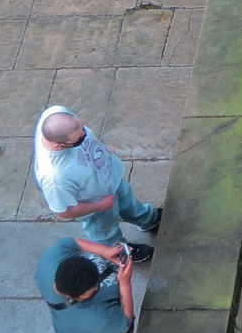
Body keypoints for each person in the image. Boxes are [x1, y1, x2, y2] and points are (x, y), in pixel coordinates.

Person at [32, 105, 161, 261]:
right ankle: (120, 253)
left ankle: (149, 219)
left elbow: (84, 135)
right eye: (78, 138)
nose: (84, 135)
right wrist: (99, 206)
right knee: (106, 234)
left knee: (131, 203)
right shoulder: (55, 177)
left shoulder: (56, 114)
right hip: (96, 205)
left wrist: (102, 149)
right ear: (59, 145)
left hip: (111, 179)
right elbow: (64, 211)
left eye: (83, 129)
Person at [34, 237, 136, 333]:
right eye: (94, 289)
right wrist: (125, 283)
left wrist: (104, 251)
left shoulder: (50, 260)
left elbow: (74, 243)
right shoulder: (102, 321)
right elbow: (126, 321)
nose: (97, 287)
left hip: (68, 324)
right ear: (74, 296)